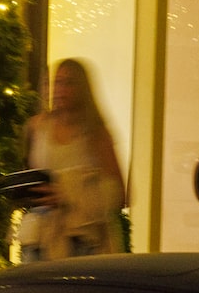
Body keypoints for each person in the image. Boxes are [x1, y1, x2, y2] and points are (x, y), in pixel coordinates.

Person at [19, 58, 125, 262]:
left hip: (81, 237)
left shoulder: (95, 133)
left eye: (68, 83)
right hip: (42, 233)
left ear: (82, 88)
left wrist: (69, 191)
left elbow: (118, 193)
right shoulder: (38, 127)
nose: (60, 89)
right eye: (57, 82)